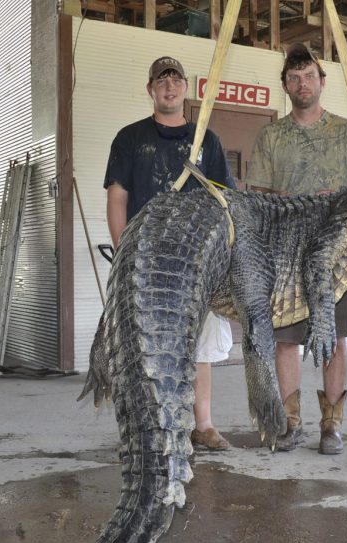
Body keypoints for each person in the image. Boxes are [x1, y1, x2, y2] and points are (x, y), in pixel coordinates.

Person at [104, 55, 237, 451]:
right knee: (147, 345)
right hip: (145, 259)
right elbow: (117, 198)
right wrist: (124, 251)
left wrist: (221, 255)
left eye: (175, 79)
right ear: (151, 90)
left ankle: (204, 424)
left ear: (185, 89)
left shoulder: (205, 141)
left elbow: (223, 200)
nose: (169, 86)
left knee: (202, 344)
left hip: (196, 261)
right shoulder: (130, 139)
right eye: (161, 81)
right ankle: (151, 426)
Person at [246, 43, 347, 455]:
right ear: (285, 85)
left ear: (322, 80)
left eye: (309, 76)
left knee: (333, 339)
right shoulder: (271, 135)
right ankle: (289, 421)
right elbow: (257, 194)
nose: (303, 84)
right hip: (285, 254)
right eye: (294, 78)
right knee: (286, 341)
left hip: (337, 252)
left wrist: (339, 195)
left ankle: (332, 424)